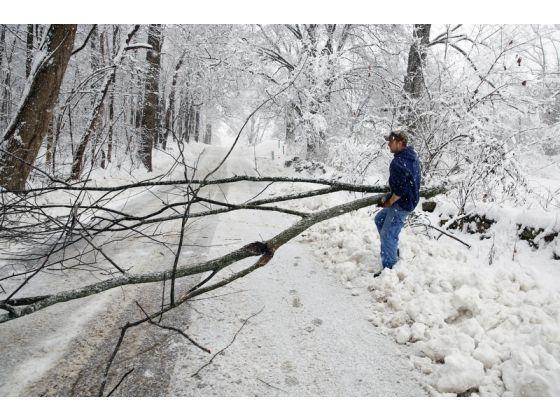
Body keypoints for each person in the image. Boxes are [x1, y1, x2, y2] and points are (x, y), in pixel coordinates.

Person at [374, 130, 421, 276]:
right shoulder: (411, 156)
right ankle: (392, 250)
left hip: (402, 203)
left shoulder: (398, 162)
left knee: (387, 233)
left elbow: (400, 190)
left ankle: (389, 269)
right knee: (379, 219)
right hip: (408, 199)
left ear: (400, 143)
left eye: (391, 141)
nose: (388, 144)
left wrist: (389, 201)